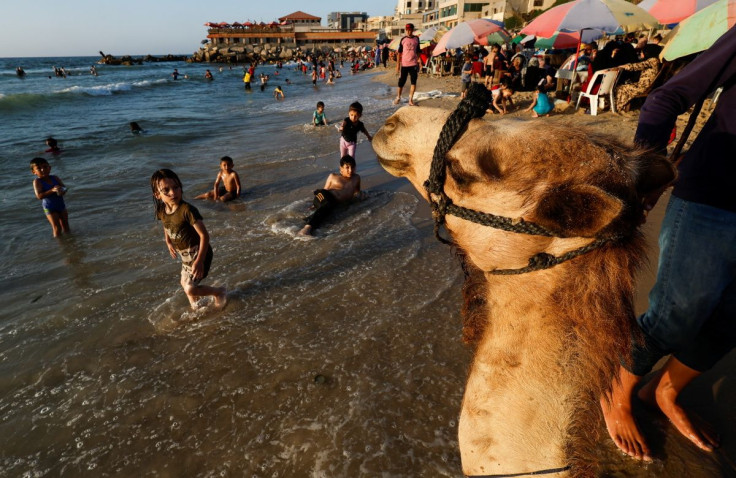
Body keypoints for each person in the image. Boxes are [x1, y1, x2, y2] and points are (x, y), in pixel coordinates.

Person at [600, 25, 736, 462]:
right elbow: (665, 98)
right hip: (713, 197)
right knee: (676, 316)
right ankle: (617, 395)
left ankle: (666, 392)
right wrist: (647, 173)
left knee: (731, 320)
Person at [151, 168, 226, 309]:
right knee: (184, 284)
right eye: (166, 190)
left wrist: (199, 261)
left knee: (190, 288)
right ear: (157, 195)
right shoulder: (161, 210)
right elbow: (165, 225)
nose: (173, 193)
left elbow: (205, 235)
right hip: (186, 257)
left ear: (181, 187)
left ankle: (219, 292)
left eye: (176, 187)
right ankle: (196, 308)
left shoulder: (187, 210)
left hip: (200, 254)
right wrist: (168, 241)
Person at [298, 155, 363, 236]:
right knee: (328, 204)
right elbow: (324, 190)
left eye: (352, 167)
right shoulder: (333, 177)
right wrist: (314, 204)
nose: (350, 170)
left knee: (327, 212)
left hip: (333, 203)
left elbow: (357, 192)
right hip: (324, 196)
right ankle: (306, 229)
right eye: (347, 167)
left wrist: (361, 198)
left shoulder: (356, 178)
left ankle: (304, 222)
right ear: (341, 168)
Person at [612, 47, 661, 112]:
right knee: (622, 86)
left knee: (620, 88)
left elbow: (639, 66)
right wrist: (628, 65)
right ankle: (621, 106)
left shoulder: (653, 60)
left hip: (644, 87)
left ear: (647, 52)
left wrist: (626, 66)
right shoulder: (653, 60)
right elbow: (641, 64)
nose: (641, 53)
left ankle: (620, 107)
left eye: (642, 52)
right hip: (646, 85)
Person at [30, 157, 69, 237]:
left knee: (66, 225)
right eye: (39, 168)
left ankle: (69, 242)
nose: (43, 170)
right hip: (49, 207)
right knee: (57, 227)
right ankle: (60, 245)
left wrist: (62, 190)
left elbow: (64, 188)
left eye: (45, 167)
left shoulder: (55, 178)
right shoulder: (37, 181)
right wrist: (52, 190)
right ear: (34, 172)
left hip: (60, 205)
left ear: (49, 168)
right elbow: (39, 196)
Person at [394, 23, 421, 106]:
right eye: (407, 30)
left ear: (412, 30)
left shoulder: (416, 39)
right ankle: (398, 97)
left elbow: (418, 51)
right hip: (404, 65)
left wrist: (419, 61)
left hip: (413, 64)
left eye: (410, 30)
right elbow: (399, 53)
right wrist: (398, 65)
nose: (408, 31)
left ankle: (410, 99)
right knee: (401, 82)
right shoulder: (403, 39)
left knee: (413, 82)